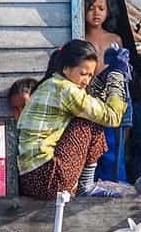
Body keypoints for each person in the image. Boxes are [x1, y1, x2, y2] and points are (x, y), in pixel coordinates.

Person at [16, 40, 128, 200]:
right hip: (47, 178)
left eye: (90, 75)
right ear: (66, 68)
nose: (87, 81)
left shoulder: (53, 84)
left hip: (33, 179)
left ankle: (84, 186)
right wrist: (117, 76)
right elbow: (112, 117)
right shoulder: (66, 89)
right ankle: (85, 187)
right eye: (83, 74)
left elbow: (90, 100)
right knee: (90, 121)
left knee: (90, 114)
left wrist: (104, 77)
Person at [83, 0, 133, 182]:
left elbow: (122, 76)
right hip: (90, 103)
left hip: (114, 102)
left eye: (101, 8)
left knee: (115, 153)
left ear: (108, 10)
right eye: (91, 7)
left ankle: (116, 192)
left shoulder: (115, 39)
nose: (96, 13)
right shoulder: (80, 38)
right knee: (92, 153)